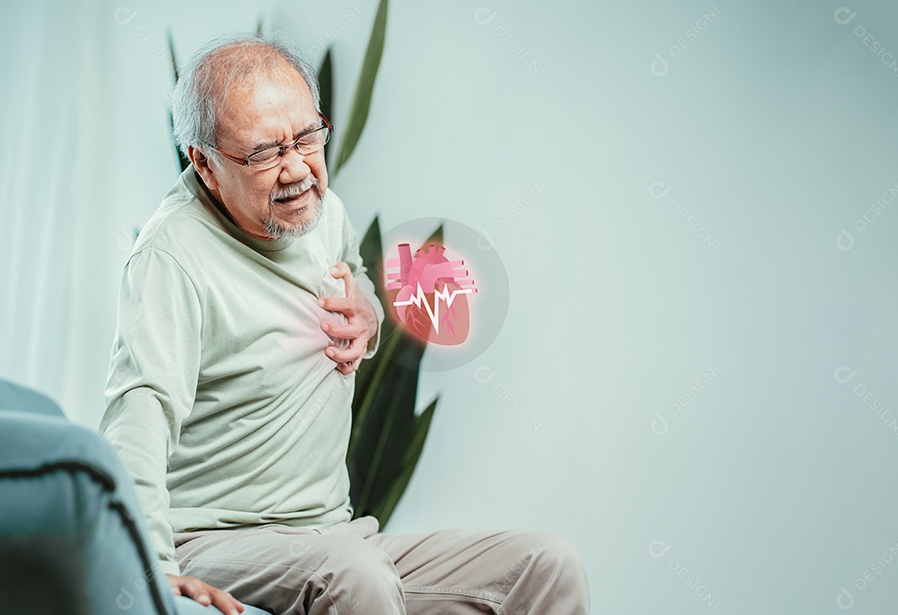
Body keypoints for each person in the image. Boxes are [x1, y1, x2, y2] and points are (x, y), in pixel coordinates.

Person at [100, 35, 589, 615]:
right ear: (202, 163)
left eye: (308, 138)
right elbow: (138, 416)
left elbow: (355, 288)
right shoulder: (171, 257)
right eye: (263, 153)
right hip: (212, 541)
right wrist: (151, 571)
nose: (297, 170)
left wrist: (372, 315)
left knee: (546, 565)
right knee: (356, 576)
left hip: (335, 535)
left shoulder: (323, 214)